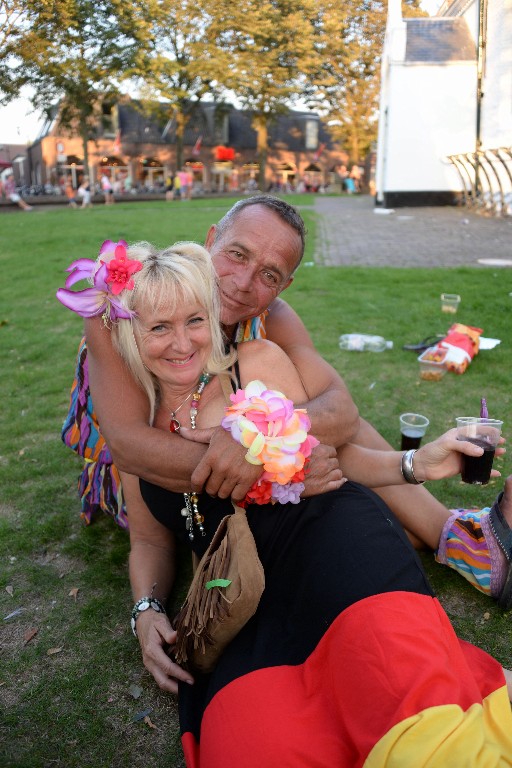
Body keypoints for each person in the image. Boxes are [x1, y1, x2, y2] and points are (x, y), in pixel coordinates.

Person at [57, 240, 512, 766]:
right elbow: (149, 538)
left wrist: (417, 465)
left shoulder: (253, 366)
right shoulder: (141, 433)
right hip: (243, 596)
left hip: (330, 543)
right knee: (251, 740)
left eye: (195, 321)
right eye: (159, 327)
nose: (182, 343)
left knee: (419, 718)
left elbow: (333, 456)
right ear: (130, 335)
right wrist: (146, 610)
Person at [66, 196, 511, 610]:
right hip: (151, 486)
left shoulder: (271, 317)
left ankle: (452, 536)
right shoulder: (125, 307)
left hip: (233, 466)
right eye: (237, 255)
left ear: (285, 286)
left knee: (321, 429)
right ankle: (452, 536)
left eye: (269, 275)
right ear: (209, 241)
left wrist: (259, 438)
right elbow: (129, 446)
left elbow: (340, 412)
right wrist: (271, 458)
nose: (243, 284)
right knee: (321, 463)